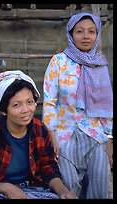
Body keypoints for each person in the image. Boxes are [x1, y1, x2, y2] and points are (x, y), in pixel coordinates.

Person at [42, 12, 113, 199]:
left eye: (91, 31)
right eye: (79, 31)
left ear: (97, 35)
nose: (86, 36)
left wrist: (110, 140)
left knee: (98, 190)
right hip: (64, 138)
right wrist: (51, 136)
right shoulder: (58, 62)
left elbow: (106, 107)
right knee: (68, 189)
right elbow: (49, 102)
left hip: (96, 138)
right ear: (71, 34)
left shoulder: (100, 65)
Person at [0, 70, 77, 199]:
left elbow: (48, 168)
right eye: (16, 105)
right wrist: (6, 188)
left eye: (29, 102)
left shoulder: (39, 129)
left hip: (32, 188)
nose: (26, 110)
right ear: (4, 110)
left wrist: (63, 191)